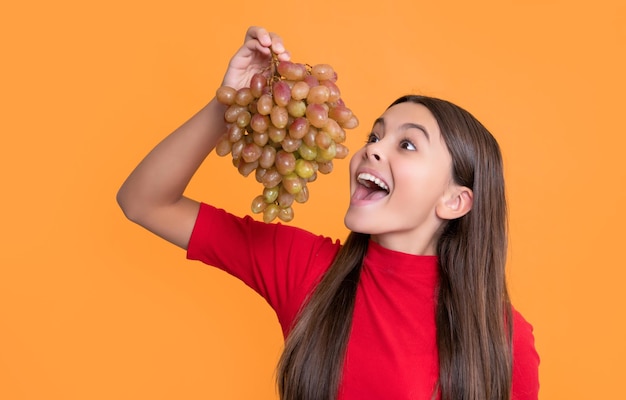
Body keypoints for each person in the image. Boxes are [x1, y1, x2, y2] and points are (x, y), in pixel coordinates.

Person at [117, 26, 540, 400]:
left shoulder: (502, 338)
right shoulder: (305, 268)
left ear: (455, 201)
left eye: (407, 144)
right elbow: (144, 201)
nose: (371, 148)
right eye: (376, 135)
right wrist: (229, 101)